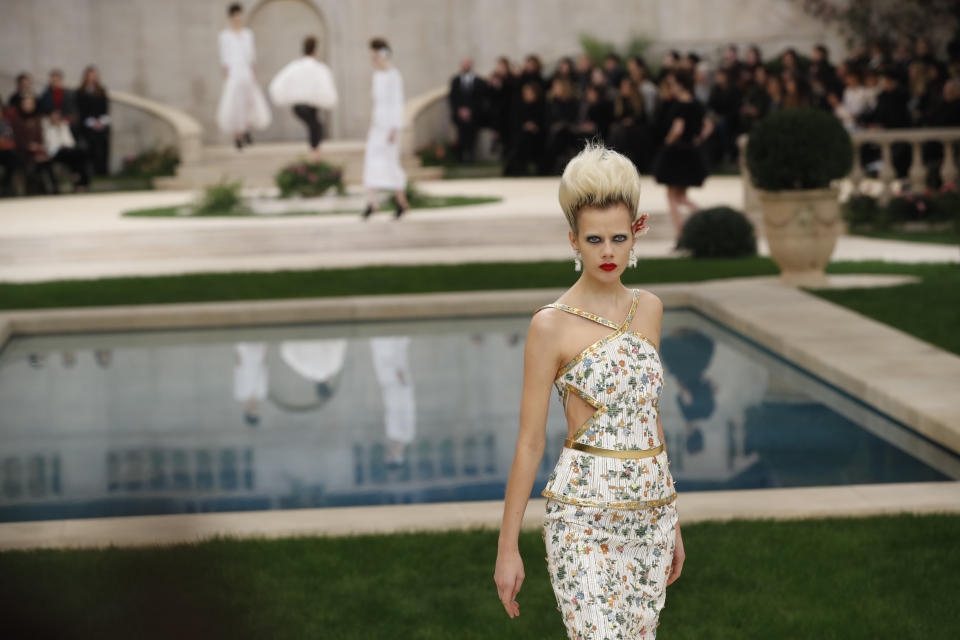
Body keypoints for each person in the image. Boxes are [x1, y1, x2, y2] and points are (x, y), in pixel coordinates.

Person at [495, 143, 684, 638]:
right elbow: (530, 441)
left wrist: (673, 515)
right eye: (594, 239)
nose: (607, 252)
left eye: (618, 238)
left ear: (636, 233)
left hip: (651, 518)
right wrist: (507, 547)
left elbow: (648, 413)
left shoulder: (650, 309)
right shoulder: (550, 325)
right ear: (573, 241)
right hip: (582, 520)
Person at [653, 70, 712, 239]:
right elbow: (708, 126)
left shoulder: (679, 105)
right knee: (681, 196)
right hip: (691, 151)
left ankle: (680, 233)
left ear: (680, 85)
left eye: (673, 84)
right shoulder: (697, 104)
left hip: (677, 153)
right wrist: (698, 139)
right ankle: (702, 218)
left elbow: (678, 128)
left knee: (672, 196)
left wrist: (668, 141)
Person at [268, 35, 339, 160]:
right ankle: (315, 153)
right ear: (315, 50)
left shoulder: (295, 66)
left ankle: (314, 152)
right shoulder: (318, 68)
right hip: (308, 106)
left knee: (315, 125)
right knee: (316, 126)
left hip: (299, 107)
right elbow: (326, 86)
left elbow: (278, 83)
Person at [361, 37, 409, 219]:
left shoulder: (394, 76)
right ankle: (372, 202)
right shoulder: (377, 76)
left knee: (390, 163)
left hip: (390, 127)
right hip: (377, 126)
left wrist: (395, 128)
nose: (373, 59)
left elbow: (397, 103)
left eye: (375, 55)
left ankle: (401, 202)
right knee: (371, 162)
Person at [217, 2, 271, 150]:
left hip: (246, 72)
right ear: (231, 16)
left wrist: (253, 73)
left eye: (239, 14)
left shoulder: (248, 34)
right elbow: (224, 58)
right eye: (235, 14)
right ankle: (238, 135)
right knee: (235, 104)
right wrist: (227, 75)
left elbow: (251, 55)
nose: (237, 17)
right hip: (234, 73)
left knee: (249, 102)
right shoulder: (225, 36)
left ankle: (247, 130)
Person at [10, 95, 55, 193]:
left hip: (38, 149)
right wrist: (28, 146)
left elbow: (41, 136)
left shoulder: (38, 119)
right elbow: (17, 137)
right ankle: (36, 189)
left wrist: (39, 146)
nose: (28, 106)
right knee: (33, 162)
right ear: (21, 105)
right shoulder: (16, 120)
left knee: (46, 160)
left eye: (30, 103)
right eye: (26, 103)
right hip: (22, 150)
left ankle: (53, 189)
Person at [42, 108, 90, 192]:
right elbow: (49, 145)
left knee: (78, 154)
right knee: (74, 156)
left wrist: (61, 130)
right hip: (56, 153)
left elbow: (70, 142)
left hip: (68, 151)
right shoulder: (48, 130)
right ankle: (79, 180)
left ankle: (78, 178)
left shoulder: (65, 127)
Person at [448, 57, 486, 163]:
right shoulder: (455, 80)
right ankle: (461, 157)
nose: (466, 66)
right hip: (459, 115)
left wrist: (471, 111)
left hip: (474, 115)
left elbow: (480, 99)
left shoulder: (479, 81)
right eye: (464, 63)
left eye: (468, 63)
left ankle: (471, 156)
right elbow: (453, 98)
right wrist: (460, 110)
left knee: (472, 135)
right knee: (460, 135)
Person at [75, 65, 111, 175]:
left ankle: (102, 171)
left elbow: (105, 109)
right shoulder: (80, 92)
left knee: (103, 146)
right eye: (89, 76)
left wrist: (101, 122)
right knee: (91, 147)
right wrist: (92, 123)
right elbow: (81, 111)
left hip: (101, 124)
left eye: (93, 76)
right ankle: (91, 171)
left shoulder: (101, 91)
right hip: (87, 125)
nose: (92, 78)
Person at [0, 104, 21, 195]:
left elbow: (11, 139)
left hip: (5, 152)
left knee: (13, 160)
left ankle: (5, 187)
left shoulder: (6, 123)